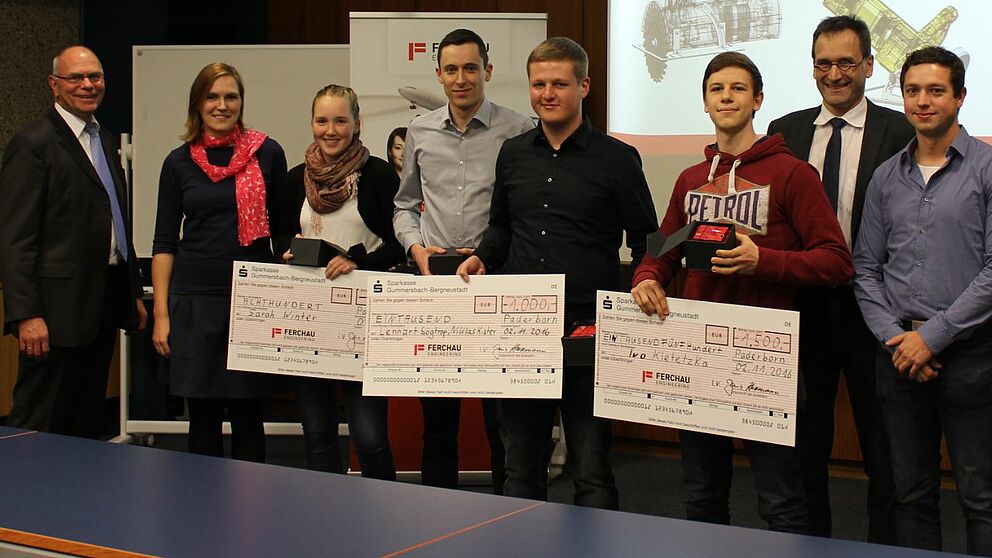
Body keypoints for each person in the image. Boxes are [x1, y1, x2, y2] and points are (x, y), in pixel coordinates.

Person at [631, 51, 853, 533]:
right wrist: (645, 277)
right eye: (716, 89)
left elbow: (836, 260)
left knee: (779, 498)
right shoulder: (692, 179)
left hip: (765, 356)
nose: (726, 97)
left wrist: (764, 261)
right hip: (698, 354)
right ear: (705, 103)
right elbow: (660, 250)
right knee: (703, 493)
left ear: (758, 100)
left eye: (737, 88)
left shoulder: (793, 174)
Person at [458, 37, 658, 509]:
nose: (548, 93)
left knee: (590, 467)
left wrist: (645, 280)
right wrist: (483, 256)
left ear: (584, 86)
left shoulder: (617, 158)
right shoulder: (512, 154)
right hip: (521, 328)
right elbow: (502, 226)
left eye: (560, 84)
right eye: (538, 84)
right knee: (520, 466)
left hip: (591, 329)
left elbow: (645, 238)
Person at [767, 15, 913, 542]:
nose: (835, 74)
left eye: (846, 62)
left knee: (883, 446)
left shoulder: (900, 131)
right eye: (824, 63)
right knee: (803, 442)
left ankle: (886, 547)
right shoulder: (784, 131)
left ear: (869, 66)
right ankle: (812, 546)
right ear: (812, 69)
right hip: (800, 306)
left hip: (873, 311)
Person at [854, 46, 992, 555]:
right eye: (913, 91)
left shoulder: (986, 169)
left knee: (981, 498)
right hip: (897, 357)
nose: (923, 101)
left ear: (959, 96)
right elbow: (866, 269)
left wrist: (929, 338)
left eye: (936, 91)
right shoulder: (887, 177)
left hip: (971, 356)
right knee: (910, 496)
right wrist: (898, 338)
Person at [393, 28, 534, 492]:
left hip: (495, 282)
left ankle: (501, 515)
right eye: (451, 70)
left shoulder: (519, 130)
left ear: (487, 71)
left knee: (501, 422)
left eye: (470, 68)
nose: (461, 79)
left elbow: (524, 212)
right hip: (436, 286)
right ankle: (438, 515)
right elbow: (404, 204)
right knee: (438, 419)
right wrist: (415, 248)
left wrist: (494, 251)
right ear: (438, 74)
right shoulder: (419, 130)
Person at [0, 45, 146, 438]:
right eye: (76, 78)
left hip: (99, 306)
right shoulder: (33, 144)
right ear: (54, 85)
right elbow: (15, 239)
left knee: (84, 424)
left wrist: (131, 291)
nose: (87, 85)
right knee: (39, 422)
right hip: (52, 316)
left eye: (94, 77)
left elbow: (115, 219)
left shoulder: (104, 137)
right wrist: (26, 315)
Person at [151, 62, 287, 462]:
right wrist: (161, 313)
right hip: (194, 301)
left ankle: (251, 516)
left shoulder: (269, 153)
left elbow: (282, 233)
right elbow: (163, 242)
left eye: (231, 96)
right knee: (203, 418)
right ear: (197, 104)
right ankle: (202, 509)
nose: (222, 105)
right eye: (212, 96)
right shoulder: (178, 162)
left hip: (252, 299)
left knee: (249, 415)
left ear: (241, 102)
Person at [275, 85, 402, 479]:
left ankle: (382, 509)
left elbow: (400, 244)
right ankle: (322, 513)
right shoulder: (295, 178)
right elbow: (277, 237)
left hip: (363, 323)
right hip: (309, 323)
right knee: (316, 431)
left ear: (357, 124)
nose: (330, 130)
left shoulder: (379, 175)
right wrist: (285, 254)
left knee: (368, 436)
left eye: (340, 121)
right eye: (322, 121)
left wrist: (357, 261)